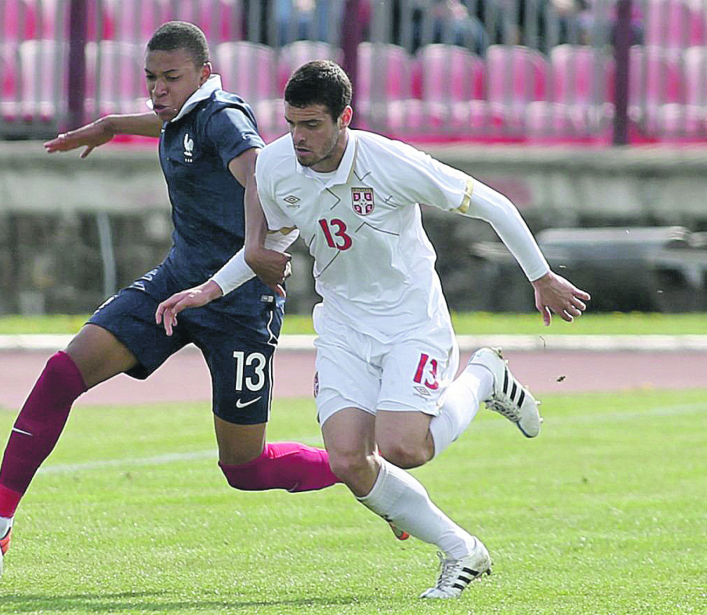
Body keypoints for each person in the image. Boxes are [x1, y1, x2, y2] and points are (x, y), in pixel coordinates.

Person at [156, 60, 591, 599]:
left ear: (344, 118)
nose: (298, 137)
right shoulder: (275, 166)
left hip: (410, 320)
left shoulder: (389, 161)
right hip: (343, 326)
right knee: (348, 460)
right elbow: (274, 244)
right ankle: (461, 550)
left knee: (405, 447)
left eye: (312, 125)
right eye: (291, 123)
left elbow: (493, 205)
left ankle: (484, 378)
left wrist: (541, 276)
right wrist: (208, 289)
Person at [0, 22, 341, 555]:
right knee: (63, 373)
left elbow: (259, 172)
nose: (158, 89)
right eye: (150, 78)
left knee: (245, 467)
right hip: (174, 287)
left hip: (240, 304)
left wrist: (256, 247)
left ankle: (357, 469)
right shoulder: (182, 115)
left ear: (204, 75)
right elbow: (168, 124)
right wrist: (111, 125)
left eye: (171, 77)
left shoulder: (224, 117)